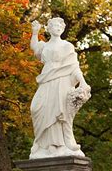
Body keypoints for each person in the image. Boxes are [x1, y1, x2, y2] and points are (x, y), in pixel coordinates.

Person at [29, 17, 91, 159]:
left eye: (59, 26)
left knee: (58, 112)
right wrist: (34, 32)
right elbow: (34, 48)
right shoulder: (44, 46)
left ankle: (57, 144)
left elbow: (74, 67)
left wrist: (82, 82)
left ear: (62, 29)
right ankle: (42, 143)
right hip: (46, 79)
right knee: (36, 108)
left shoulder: (67, 46)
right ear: (49, 29)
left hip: (62, 81)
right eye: (54, 25)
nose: (57, 27)